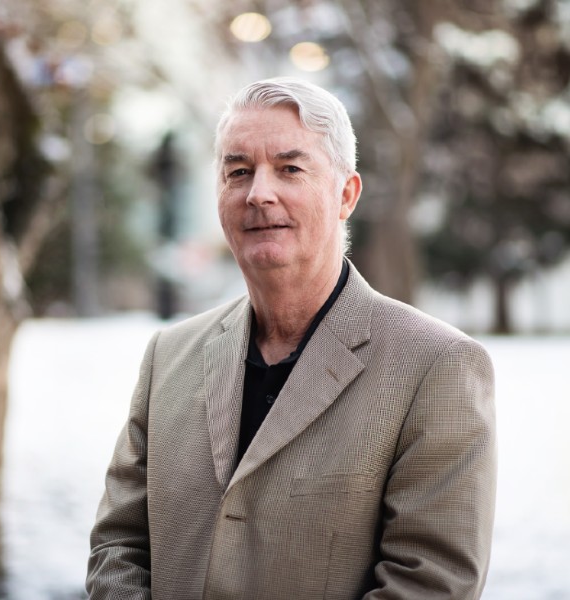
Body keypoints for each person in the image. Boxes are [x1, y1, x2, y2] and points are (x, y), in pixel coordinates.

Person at [86, 77, 497, 599]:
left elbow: (431, 585)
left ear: (345, 194)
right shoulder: (168, 356)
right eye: (238, 171)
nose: (259, 192)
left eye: (290, 169)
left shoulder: (436, 365)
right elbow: (118, 545)